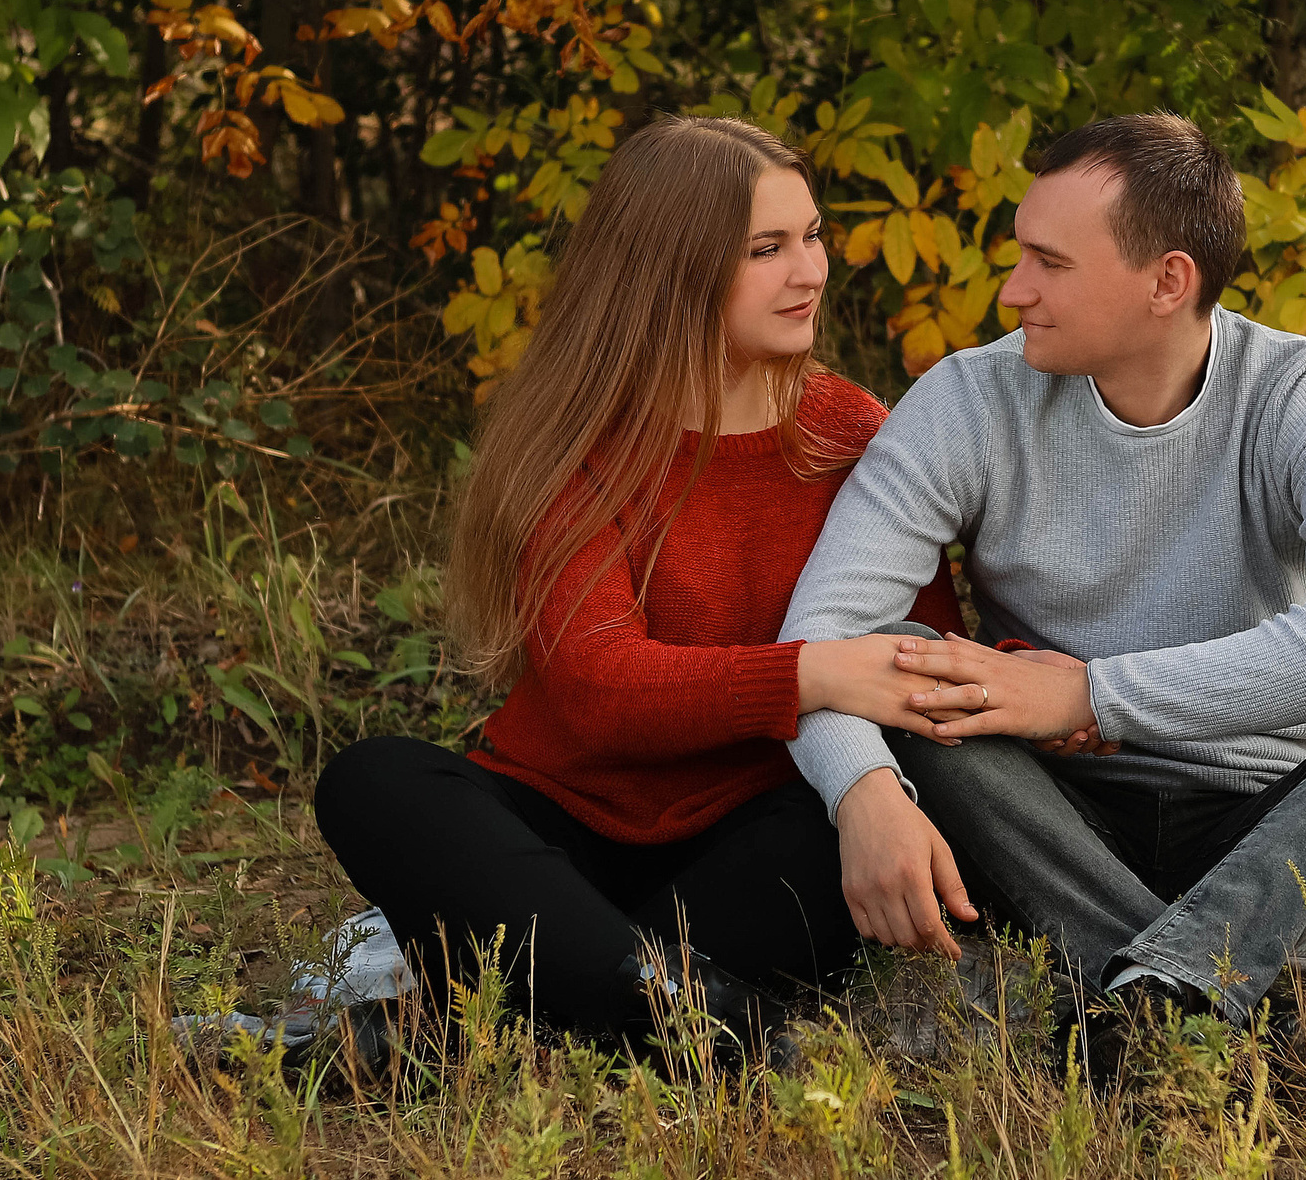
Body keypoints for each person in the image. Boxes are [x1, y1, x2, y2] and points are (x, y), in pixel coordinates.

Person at [777, 112, 1306, 1026]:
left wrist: (1091, 695)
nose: (1013, 289)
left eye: (1051, 263)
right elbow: (821, 639)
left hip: (1278, 831)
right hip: (1053, 829)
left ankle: (1154, 985)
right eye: (1020, 253)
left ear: (1169, 281)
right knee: (905, 658)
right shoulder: (970, 398)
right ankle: (1199, 983)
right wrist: (862, 790)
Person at [315, 116, 967, 1050]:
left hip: (755, 841)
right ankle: (683, 1012)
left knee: (843, 830)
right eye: (767, 249)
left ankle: (516, 1020)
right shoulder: (581, 440)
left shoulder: (851, 431)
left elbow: (922, 652)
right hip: (559, 835)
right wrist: (812, 671)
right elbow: (602, 689)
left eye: (813, 235)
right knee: (375, 781)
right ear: (672, 269)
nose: (811, 271)